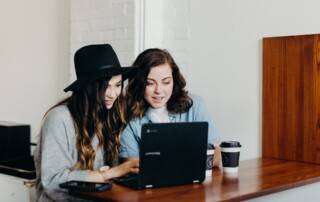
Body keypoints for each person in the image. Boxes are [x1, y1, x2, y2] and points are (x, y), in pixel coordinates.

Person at [34, 44, 139, 201]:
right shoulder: (59, 118)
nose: (112, 94)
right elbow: (53, 181)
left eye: (118, 85)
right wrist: (110, 173)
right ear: (88, 87)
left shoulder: (111, 116)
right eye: (105, 86)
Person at [119, 48, 221, 166]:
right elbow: (131, 165)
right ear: (139, 84)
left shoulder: (195, 105)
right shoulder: (128, 116)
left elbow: (217, 154)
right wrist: (189, 158)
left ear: (174, 80)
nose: (159, 90)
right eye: (150, 83)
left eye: (166, 82)